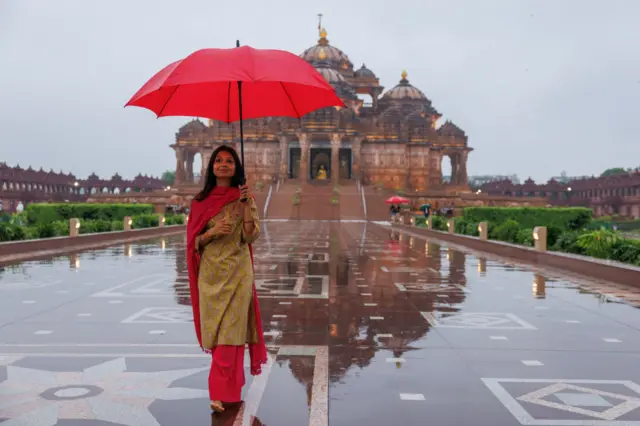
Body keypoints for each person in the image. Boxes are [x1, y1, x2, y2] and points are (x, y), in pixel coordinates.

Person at [186, 145, 267, 413]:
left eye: (229, 161)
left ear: (236, 168)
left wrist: (245, 206)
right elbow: (192, 243)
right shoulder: (200, 202)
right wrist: (212, 233)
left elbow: (251, 236)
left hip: (238, 273)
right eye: (218, 161)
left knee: (231, 332)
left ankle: (219, 392)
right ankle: (229, 389)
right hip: (210, 275)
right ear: (211, 167)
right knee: (219, 331)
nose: (223, 164)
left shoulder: (244, 198)